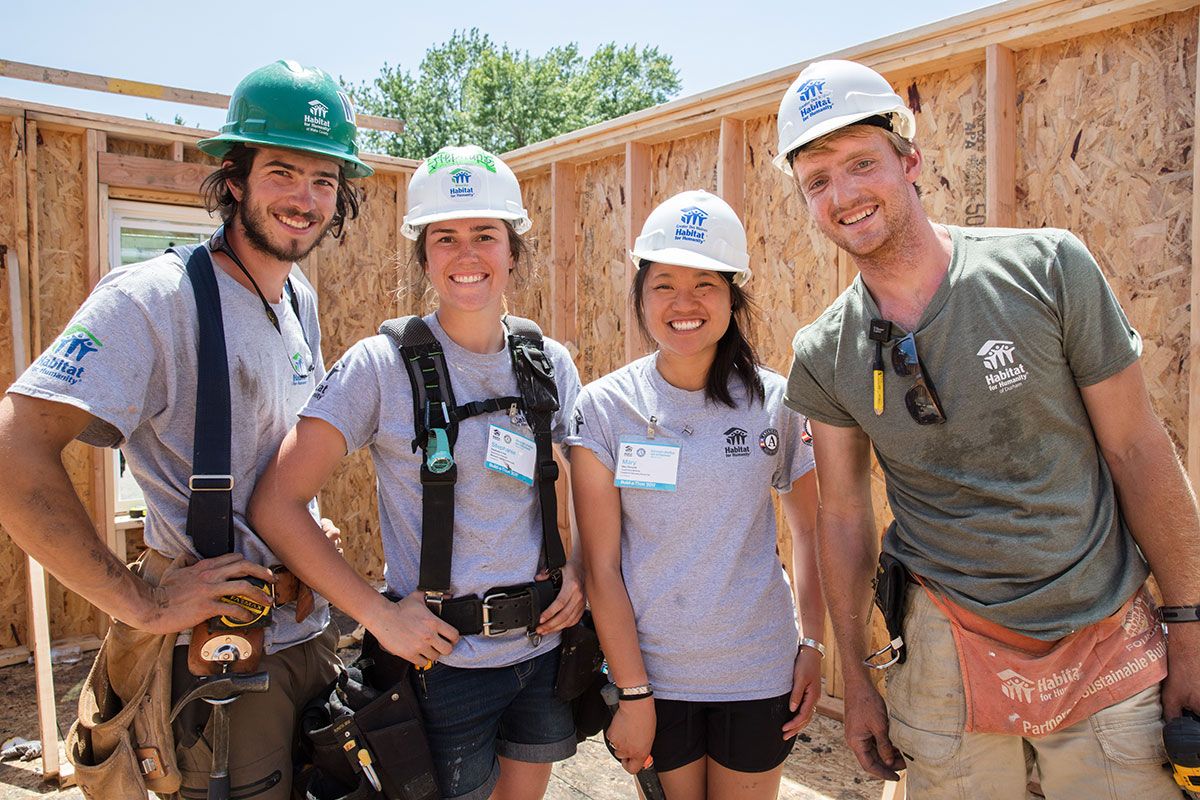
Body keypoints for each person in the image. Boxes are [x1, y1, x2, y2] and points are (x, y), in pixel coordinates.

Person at [774, 58, 1200, 798]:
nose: (843, 195)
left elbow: (1137, 449)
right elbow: (843, 517)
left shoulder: (1046, 269)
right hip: (945, 651)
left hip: (1101, 633)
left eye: (861, 163)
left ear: (909, 160)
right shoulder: (825, 352)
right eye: (817, 180)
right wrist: (863, 681)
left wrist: (1191, 624)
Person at [0, 59, 372, 798]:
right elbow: (14, 448)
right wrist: (138, 603)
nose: (305, 199)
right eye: (282, 172)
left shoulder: (297, 296)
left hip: (306, 633)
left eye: (324, 180)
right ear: (233, 177)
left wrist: (306, 533)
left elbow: (272, 460)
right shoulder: (153, 300)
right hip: (216, 661)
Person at [247, 144, 585, 800]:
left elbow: (581, 488)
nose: (466, 255)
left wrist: (579, 572)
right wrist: (377, 616)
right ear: (423, 254)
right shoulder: (381, 366)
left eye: (485, 234)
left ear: (513, 249)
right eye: (445, 237)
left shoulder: (548, 362)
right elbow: (276, 504)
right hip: (442, 667)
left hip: (541, 655)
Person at [567, 189, 824, 798]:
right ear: (640, 294)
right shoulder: (605, 408)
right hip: (655, 678)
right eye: (663, 284)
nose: (684, 303)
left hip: (761, 672)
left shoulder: (776, 401)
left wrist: (812, 642)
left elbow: (813, 531)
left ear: (733, 295)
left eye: (705, 284)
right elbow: (600, 567)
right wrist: (631, 692)